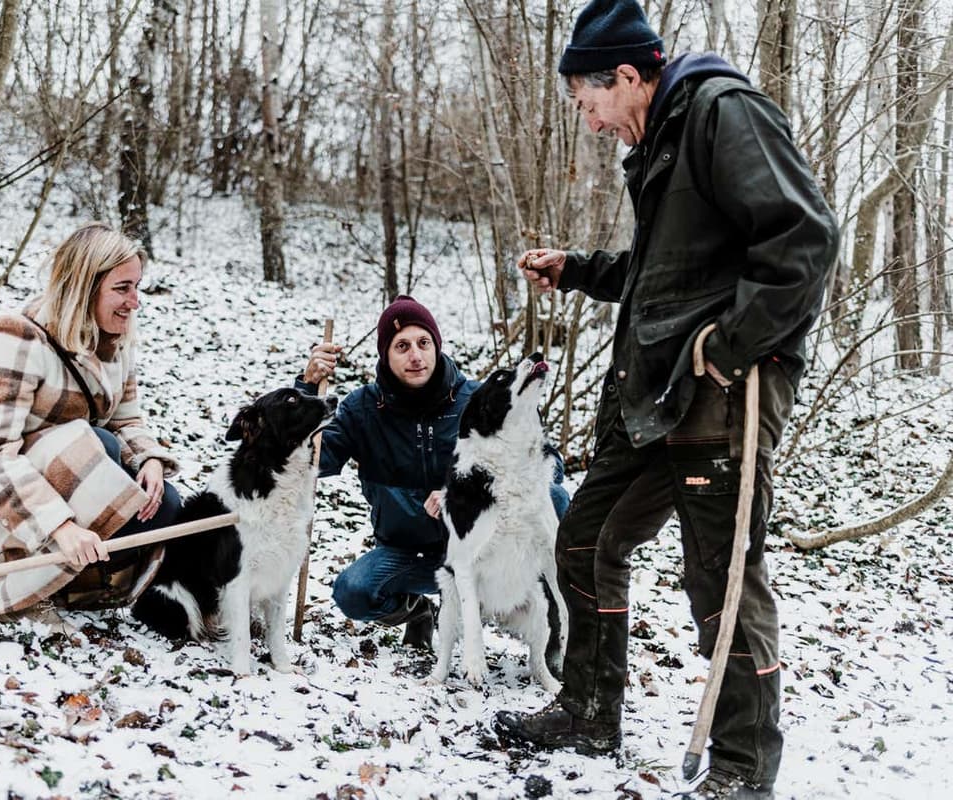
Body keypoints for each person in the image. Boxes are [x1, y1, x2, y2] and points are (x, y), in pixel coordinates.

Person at [492, 2, 839, 798]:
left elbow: (805, 239)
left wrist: (729, 348)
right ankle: (587, 709)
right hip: (652, 394)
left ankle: (744, 768)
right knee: (585, 539)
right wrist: (579, 269)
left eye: (588, 105)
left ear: (624, 76)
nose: (589, 124)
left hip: (721, 392)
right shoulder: (662, 145)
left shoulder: (722, 111)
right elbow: (667, 281)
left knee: (719, 578)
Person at [0, 223, 182, 623]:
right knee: (97, 446)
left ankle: (74, 582)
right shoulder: (13, 337)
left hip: (69, 465)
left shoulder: (116, 339)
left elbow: (128, 418)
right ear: (83, 286)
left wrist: (148, 460)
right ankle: (14, 585)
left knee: (164, 506)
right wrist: (59, 527)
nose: (135, 302)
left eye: (137, 287)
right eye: (122, 288)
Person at [298, 296, 571, 651]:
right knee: (354, 592)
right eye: (402, 347)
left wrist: (463, 491)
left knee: (554, 499)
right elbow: (310, 462)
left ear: (436, 346)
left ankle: (553, 632)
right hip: (409, 552)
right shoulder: (363, 410)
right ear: (386, 355)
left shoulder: (478, 399)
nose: (416, 355)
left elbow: (549, 463)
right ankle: (418, 611)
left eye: (423, 343)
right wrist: (306, 389)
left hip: (483, 547)